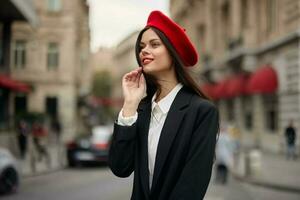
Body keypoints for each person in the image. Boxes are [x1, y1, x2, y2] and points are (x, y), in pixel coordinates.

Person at [108, 10, 219, 200]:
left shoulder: (201, 112)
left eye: (154, 44)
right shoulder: (140, 110)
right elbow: (120, 167)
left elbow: (192, 186)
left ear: (173, 52)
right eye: (142, 46)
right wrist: (129, 104)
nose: (144, 50)